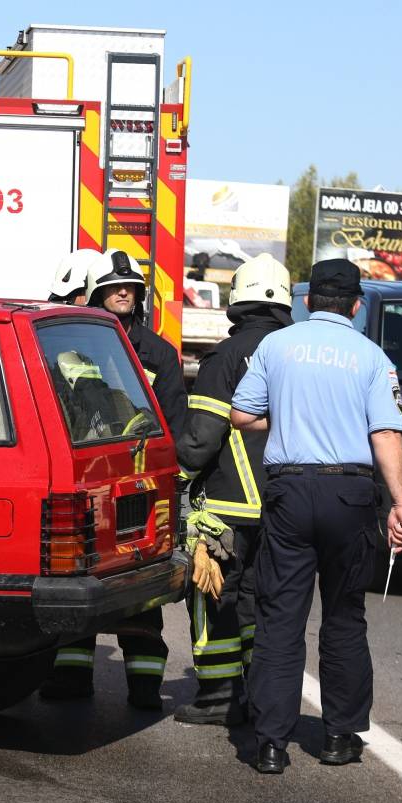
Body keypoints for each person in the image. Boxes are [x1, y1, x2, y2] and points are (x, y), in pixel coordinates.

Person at [229, 258, 402, 774]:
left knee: (280, 618)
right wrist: (400, 503)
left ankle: (270, 743)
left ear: (307, 301)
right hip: (349, 495)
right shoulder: (372, 357)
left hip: (288, 490)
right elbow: (385, 435)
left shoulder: (276, 346)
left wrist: (285, 417)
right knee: (343, 615)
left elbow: (241, 414)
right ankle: (339, 735)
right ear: (356, 305)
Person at [40, 249, 187, 708]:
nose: (123, 292)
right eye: (113, 287)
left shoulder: (158, 352)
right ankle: (71, 679)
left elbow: (173, 422)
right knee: (80, 578)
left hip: (142, 485)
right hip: (88, 482)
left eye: (131, 287)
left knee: (140, 589)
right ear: (97, 293)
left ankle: (144, 686)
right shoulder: (75, 346)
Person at [173, 253, 293, 726]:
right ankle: (261, 694)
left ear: (236, 300)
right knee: (266, 603)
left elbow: (202, 437)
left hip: (228, 506)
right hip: (287, 504)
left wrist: (178, 478)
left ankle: (220, 697)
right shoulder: (296, 350)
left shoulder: (225, 358)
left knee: (215, 594)